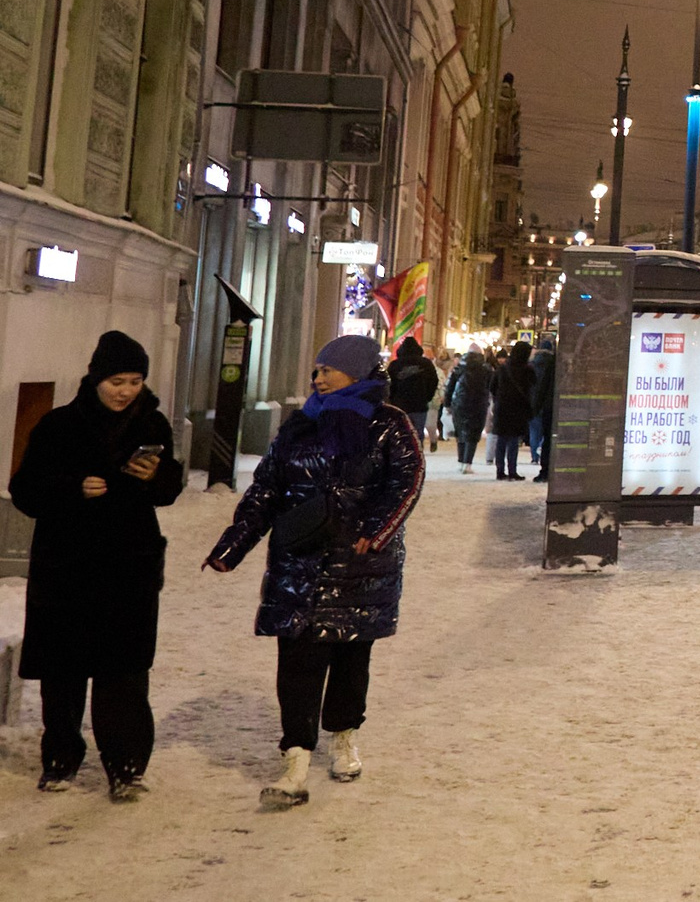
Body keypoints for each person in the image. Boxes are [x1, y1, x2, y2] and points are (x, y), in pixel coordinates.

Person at [205, 333, 423, 809]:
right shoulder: (301, 424)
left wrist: (376, 530)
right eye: (317, 370)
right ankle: (296, 758)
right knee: (298, 664)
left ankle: (344, 735)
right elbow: (266, 488)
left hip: (359, 565)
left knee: (349, 659)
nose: (318, 378)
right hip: (298, 561)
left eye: (328, 370)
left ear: (357, 373)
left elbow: (406, 482)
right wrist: (234, 545)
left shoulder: (389, 424)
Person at [8, 331, 185, 800]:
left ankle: (126, 765)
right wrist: (71, 489)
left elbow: (168, 489)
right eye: (117, 381)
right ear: (95, 377)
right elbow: (25, 491)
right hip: (66, 566)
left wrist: (158, 477)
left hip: (128, 566)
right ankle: (61, 759)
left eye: (135, 380)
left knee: (123, 673)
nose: (126, 391)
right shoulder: (58, 425)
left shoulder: (153, 426)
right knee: (62, 673)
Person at [489, 342, 537, 480]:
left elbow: (492, 386)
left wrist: (499, 398)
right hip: (519, 409)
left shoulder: (503, 369)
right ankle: (512, 471)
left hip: (502, 409)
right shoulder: (528, 370)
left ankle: (500, 471)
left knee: (501, 441)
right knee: (513, 442)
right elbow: (533, 388)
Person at [385, 337, 437, 443]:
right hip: (419, 404)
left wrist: (391, 399)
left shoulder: (395, 365)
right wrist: (427, 397)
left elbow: (389, 384)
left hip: (400, 405)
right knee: (417, 434)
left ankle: (402, 454)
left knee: (400, 432)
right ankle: (417, 456)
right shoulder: (426, 364)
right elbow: (433, 382)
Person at [447, 349, 492, 470]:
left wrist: (447, 404)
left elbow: (450, 387)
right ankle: (468, 463)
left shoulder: (459, 369)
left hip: (460, 404)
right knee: (473, 433)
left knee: (460, 432)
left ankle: (461, 461)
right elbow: (491, 387)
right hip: (479, 404)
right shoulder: (486, 371)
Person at [528, 341, 556, 479]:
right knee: (550, 438)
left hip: (541, 404)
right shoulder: (554, 362)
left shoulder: (532, 364)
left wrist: (535, 405)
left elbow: (540, 387)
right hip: (553, 405)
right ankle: (548, 468)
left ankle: (536, 458)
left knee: (537, 432)